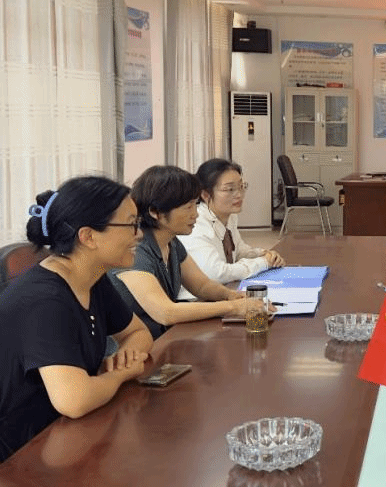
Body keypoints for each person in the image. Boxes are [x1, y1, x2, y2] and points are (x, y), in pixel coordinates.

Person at [0, 177, 154, 462]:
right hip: (19, 455)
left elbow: (138, 332)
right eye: (131, 224)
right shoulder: (45, 300)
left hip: (60, 437)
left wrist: (125, 356)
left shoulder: (91, 277)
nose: (139, 235)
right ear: (88, 236)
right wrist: (121, 374)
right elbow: (74, 400)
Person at [110, 165, 267, 340]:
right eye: (187, 207)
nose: (195, 214)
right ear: (155, 212)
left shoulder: (171, 242)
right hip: (134, 347)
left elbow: (202, 286)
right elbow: (165, 312)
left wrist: (232, 296)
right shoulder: (137, 250)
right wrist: (233, 307)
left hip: (163, 339)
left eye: (195, 205)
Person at [178, 158, 284, 299]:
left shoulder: (230, 216)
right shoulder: (196, 223)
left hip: (225, 293)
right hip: (195, 301)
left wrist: (263, 254)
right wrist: (262, 263)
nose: (239, 194)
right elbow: (216, 273)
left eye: (241, 186)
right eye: (230, 189)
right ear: (205, 195)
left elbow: (238, 250)